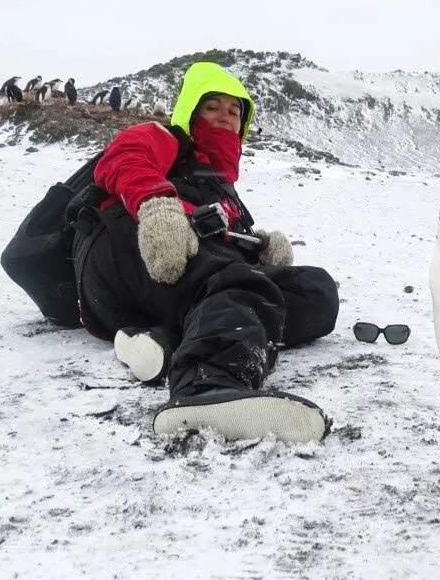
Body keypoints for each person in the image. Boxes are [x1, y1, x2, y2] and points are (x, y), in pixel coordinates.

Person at [72, 62, 339, 442]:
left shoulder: (220, 185)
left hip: (168, 286)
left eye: (234, 111)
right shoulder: (164, 138)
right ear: (191, 110)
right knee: (235, 284)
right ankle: (208, 387)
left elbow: (221, 246)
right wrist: (156, 206)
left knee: (315, 290)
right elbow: (123, 158)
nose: (225, 117)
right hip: (128, 252)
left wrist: (259, 249)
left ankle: (157, 342)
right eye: (212, 106)